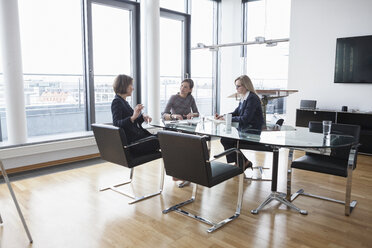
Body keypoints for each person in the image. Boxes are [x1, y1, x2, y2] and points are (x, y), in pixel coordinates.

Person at [215, 75, 264, 169]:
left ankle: (242, 162)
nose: (236, 88)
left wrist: (226, 119)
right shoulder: (244, 97)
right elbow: (236, 112)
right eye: (236, 86)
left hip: (252, 132)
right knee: (225, 139)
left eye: (238, 86)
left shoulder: (252, 98)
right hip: (245, 129)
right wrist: (224, 116)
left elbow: (245, 119)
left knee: (226, 140)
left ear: (246, 86)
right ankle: (243, 162)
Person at [111, 74, 159, 155]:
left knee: (165, 138)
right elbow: (116, 124)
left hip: (137, 140)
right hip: (134, 144)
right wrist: (133, 117)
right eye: (131, 85)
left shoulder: (123, 101)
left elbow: (132, 121)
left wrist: (141, 117)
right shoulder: (117, 102)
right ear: (124, 85)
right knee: (166, 140)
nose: (133, 88)